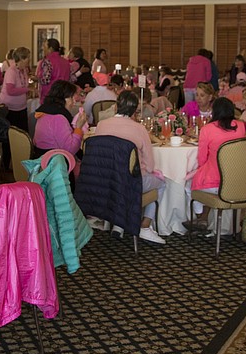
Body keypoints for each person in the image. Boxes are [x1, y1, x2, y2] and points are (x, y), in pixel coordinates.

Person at [94, 91, 166, 244]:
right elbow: (150, 165)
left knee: (126, 180)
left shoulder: (101, 125)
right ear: (135, 111)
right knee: (161, 182)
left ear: (115, 107)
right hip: (131, 183)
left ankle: (119, 224)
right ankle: (145, 225)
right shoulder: (138, 129)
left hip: (106, 183)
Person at [186, 97, 246, 228]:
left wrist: (204, 169)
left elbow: (202, 158)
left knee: (188, 183)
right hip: (236, 180)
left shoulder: (207, 129)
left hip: (214, 182)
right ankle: (203, 218)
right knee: (204, 182)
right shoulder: (241, 126)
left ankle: (200, 216)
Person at [33, 80, 86, 157]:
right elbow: (71, 150)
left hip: (42, 155)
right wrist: (79, 128)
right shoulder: (58, 118)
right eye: (71, 98)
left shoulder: (47, 111)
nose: (74, 102)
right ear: (63, 98)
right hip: (52, 162)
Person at [0, 46, 32, 131]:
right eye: (28, 57)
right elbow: (10, 91)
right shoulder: (11, 71)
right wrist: (27, 90)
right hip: (10, 109)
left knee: (23, 133)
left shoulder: (23, 70)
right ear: (22, 59)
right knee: (12, 135)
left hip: (21, 108)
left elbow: (23, 85)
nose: (29, 60)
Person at [35, 38, 71, 104]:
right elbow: (70, 78)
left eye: (45, 47)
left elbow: (45, 80)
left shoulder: (47, 61)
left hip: (49, 96)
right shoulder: (66, 62)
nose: (43, 49)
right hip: (62, 95)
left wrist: (36, 79)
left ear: (50, 49)